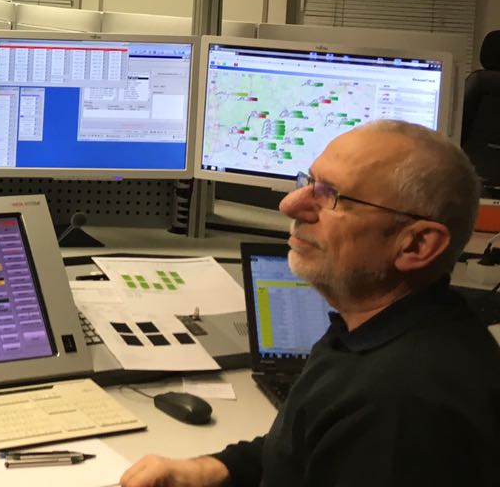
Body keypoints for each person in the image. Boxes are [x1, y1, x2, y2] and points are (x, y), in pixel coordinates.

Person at [120, 119, 500, 487]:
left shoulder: (400, 405)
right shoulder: (370, 332)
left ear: (417, 245)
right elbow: (302, 447)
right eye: (309, 182)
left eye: (331, 195)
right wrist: (215, 469)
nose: (290, 205)